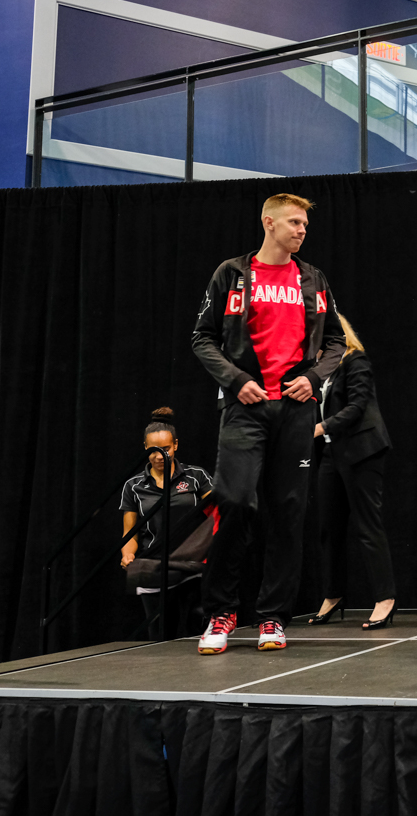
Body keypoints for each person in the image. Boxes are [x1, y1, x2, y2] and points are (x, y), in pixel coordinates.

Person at [191, 193, 345, 655]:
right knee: (234, 503)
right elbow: (202, 338)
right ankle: (220, 613)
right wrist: (236, 380)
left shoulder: (313, 278)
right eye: (294, 222)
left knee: (287, 514)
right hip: (245, 409)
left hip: (295, 412)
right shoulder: (231, 274)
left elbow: (336, 342)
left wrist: (313, 378)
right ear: (269, 223)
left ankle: (273, 617)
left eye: (305, 224)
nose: (302, 230)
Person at [309, 313, 396, 630]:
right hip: (333, 452)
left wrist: (321, 427)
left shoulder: (354, 360)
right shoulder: (320, 370)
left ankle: (385, 599)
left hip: (362, 450)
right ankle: (333, 595)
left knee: (367, 525)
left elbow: (357, 406)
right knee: (328, 528)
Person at [119, 407, 217, 639]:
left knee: (199, 628)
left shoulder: (196, 477)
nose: (158, 456)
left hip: (193, 562)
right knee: (161, 634)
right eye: (153, 450)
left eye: (164, 449)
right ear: (145, 448)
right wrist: (127, 555)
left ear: (175, 445)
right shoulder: (133, 486)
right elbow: (130, 533)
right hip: (154, 565)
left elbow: (217, 516)